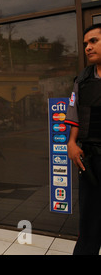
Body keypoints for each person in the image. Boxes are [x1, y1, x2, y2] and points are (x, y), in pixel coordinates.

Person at [65, 23, 101, 255]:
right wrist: (71, 143)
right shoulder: (83, 79)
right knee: (89, 220)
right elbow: (74, 114)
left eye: (94, 41)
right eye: (86, 43)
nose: (88, 47)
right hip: (90, 160)